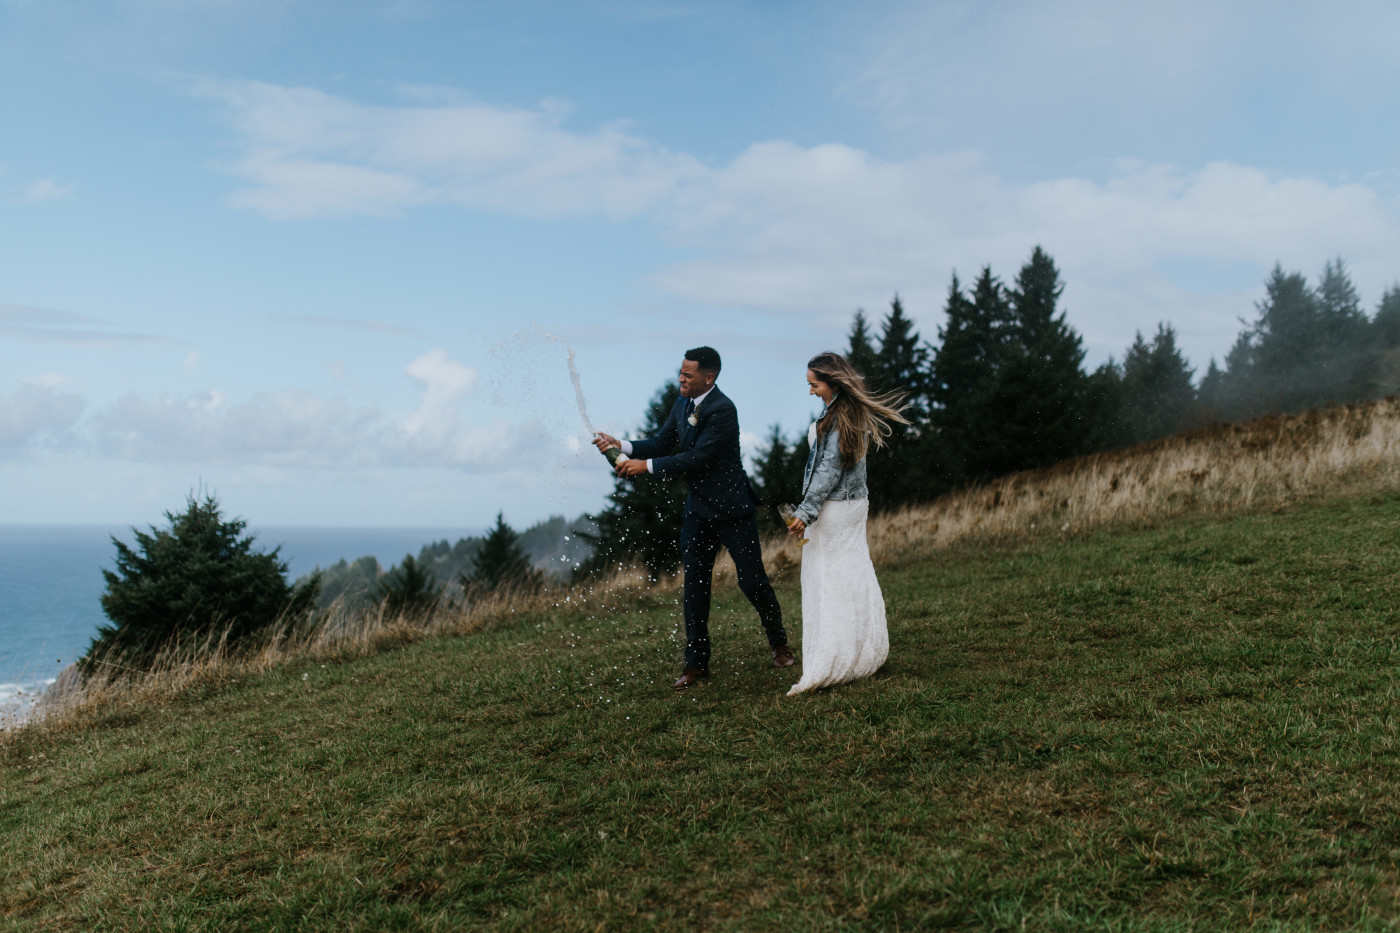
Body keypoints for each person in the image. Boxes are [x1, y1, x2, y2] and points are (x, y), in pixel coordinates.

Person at [593, 346, 792, 690]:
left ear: (708, 377)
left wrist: (646, 468)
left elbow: (699, 457)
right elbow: (663, 441)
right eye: (680, 373)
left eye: (687, 375)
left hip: (732, 509)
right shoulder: (683, 402)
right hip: (698, 510)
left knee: (752, 582)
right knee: (695, 586)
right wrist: (622, 445)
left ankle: (780, 646)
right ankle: (696, 665)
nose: (680, 379)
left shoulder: (723, 410)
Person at [785, 351, 909, 696]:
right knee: (853, 574)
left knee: (826, 579)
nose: (810, 391)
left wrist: (805, 512)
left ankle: (831, 662)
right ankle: (861, 653)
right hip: (854, 506)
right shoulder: (849, 412)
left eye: (814, 385)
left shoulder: (839, 418)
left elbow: (828, 470)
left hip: (835, 509)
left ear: (833, 382)